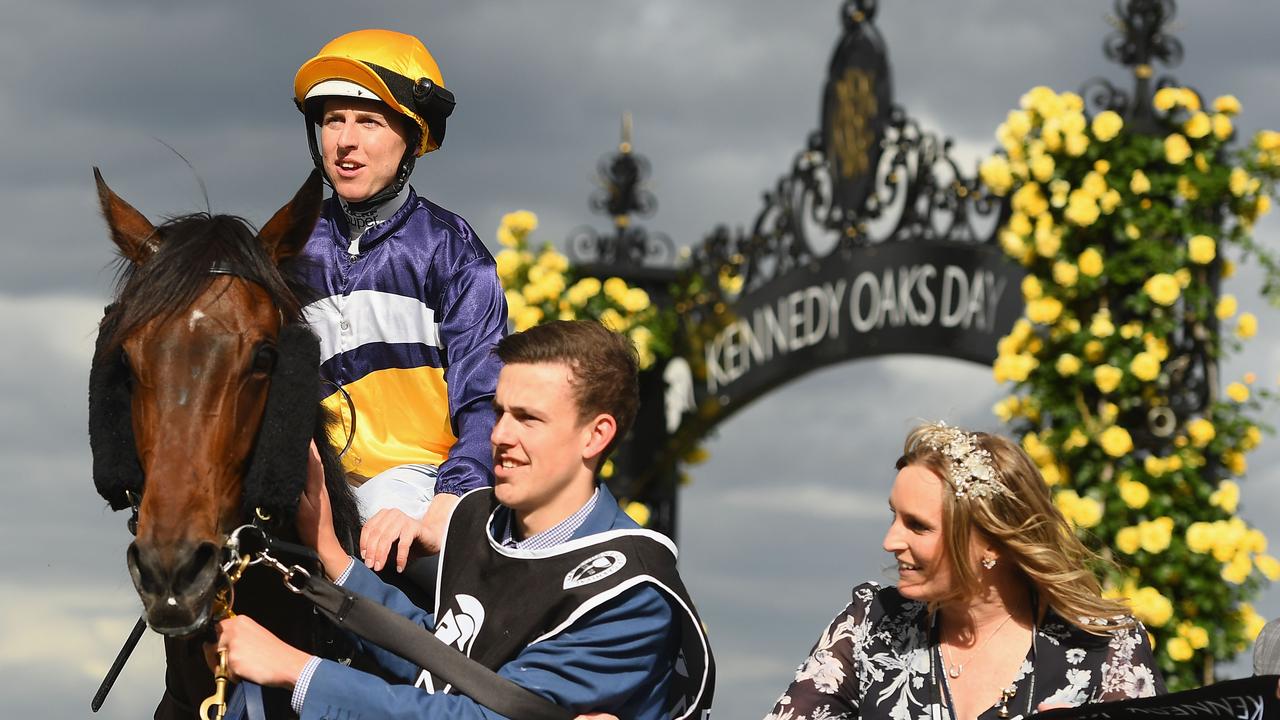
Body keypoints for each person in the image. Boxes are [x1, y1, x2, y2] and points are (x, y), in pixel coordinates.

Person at [216, 320, 714, 719]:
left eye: (529, 418)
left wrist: (298, 672)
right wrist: (331, 555)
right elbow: (444, 657)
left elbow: (484, 713)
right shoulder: (481, 519)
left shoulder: (630, 589)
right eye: (500, 413)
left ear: (596, 435)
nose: (500, 435)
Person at [765, 422, 1165, 720]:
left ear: (992, 542)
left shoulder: (1105, 645)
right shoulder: (871, 627)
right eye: (894, 517)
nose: (890, 541)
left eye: (917, 525)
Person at [290, 28, 506, 569]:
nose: (345, 140)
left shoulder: (453, 253)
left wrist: (450, 500)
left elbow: (486, 403)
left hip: (415, 482)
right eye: (333, 120)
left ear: (410, 138)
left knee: (379, 517)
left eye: (368, 121)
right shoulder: (288, 248)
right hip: (307, 473)